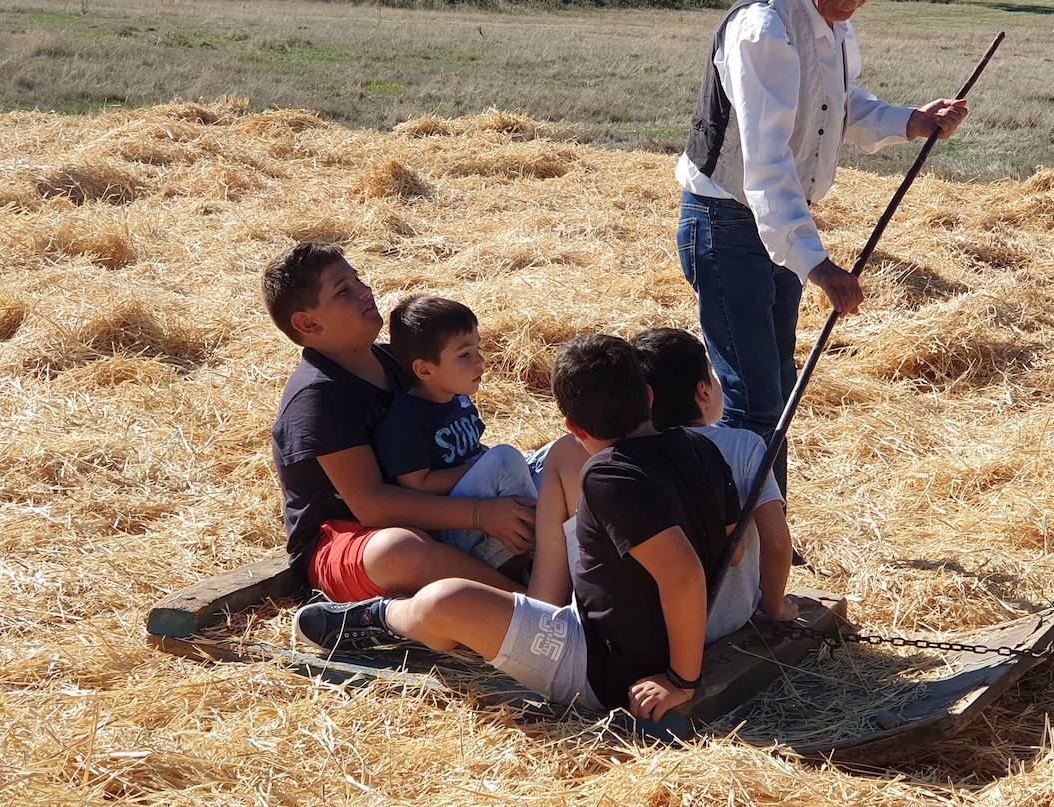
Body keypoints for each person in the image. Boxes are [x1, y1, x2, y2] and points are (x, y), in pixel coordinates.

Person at [675, 0, 971, 497]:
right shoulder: (765, 27)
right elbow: (767, 157)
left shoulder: (832, 24)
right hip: (728, 223)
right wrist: (816, 264)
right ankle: (737, 542)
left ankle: (769, 533)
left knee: (776, 388)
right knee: (752, 398)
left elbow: (836, 106)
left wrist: (911, 120)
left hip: (775, 223)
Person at [293, 334, 742, 721]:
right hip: (682, 634)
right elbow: (731, 551)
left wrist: (682, 679)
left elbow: (683, 574)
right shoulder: (704, 449)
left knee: (448, 600)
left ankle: (382, 618)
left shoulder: (608, 476)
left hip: (600, 665)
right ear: (648, 398)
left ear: (571, 424)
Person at [263, 242, 535, 601]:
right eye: (344, 290)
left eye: (358, 279)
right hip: (351, 539)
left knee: (565, 458)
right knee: (401, 551)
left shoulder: (394, 360)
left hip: (435, 515)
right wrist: (481, 514)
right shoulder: (318, 395)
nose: (365, 291)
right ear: (308, 323)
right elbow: (371, 505)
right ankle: (536, 604)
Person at [526, 327, 798, 635]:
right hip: (731, 619)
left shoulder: (630, 456)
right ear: (703, 391)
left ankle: (542, 600)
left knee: (561, 455)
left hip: (659, 631)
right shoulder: (744, 446)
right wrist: (774, 606)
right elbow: (775, 541)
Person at [377, 293, 566, 572]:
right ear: (424, 369)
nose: (480, 361)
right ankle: (546, 559)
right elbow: (417, 484)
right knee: (505, 458)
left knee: (560, 452)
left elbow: (473, 451)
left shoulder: (458, 399)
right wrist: (483, 465)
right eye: (464, 355)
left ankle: (566, 539)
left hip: (485, 508)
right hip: (457, 529)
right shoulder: (408, 415)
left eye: (477, 349)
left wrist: (488, 462)